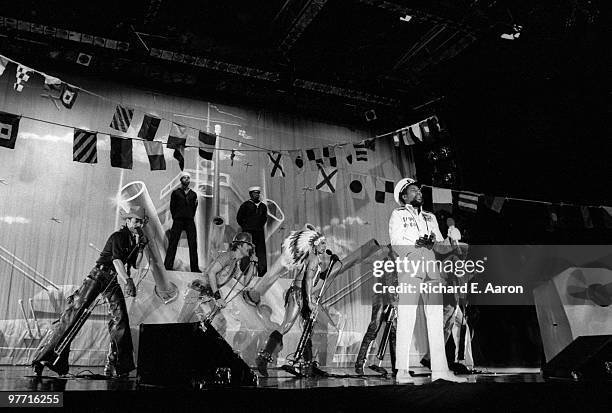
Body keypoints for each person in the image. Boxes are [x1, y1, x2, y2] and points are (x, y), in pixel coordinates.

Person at [31, 206, 148, 378]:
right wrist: (128, 281)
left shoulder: (132, 241)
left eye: (140, 221)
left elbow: (136, 264)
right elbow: (116, 261)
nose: (137, 224)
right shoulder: (118, 236)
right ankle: (42, 359)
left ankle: (118, 367)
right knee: (73, 315)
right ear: (127, 221)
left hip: (112, 280)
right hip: (99, 275)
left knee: (120, 319)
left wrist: (141, 248)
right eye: (135, 221)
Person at [389, 177, 466, 383]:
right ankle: (402, 371)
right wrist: (415, 242)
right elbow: (395, 242)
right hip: (410, 268)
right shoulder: (398, 214)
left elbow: (440, 247)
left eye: (419, 190)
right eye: (413, 190)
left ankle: (440, 370)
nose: (419, 193)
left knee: (435, 318)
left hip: (431, 270)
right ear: (404, 196)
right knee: (407, 317)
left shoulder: (430, 217)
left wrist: (449, 239)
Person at [255, 225, 327, 377]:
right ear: (315, 244)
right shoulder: (313, 259)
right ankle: (263, 358)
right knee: (286, 325)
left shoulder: (313, 257)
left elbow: (310, 280)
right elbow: (307, 281)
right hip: (298, 294)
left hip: (301, 294)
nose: (325, 246)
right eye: (322, 243)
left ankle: (307, 365)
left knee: (307, 328)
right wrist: (309, 301)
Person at [176, 232, 259, 330]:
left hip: (207, 295)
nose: (250, 248)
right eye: (248, 244)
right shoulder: (227, 256)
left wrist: (253, 263)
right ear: (239, 245)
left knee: (216, 324)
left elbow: (245, 282)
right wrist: (218, 297)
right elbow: (211, 273)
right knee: (182, 322)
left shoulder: (235, 266)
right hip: (198, 290)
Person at [354, 246, 398, 376]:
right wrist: (394, 304)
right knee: (374, 328)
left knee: (394, 332)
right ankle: (360, 363)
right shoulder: (389, 262)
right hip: (382, 299)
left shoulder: (400, 263)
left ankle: (397, 367)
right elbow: (389, 284)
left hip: (392, 299)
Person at [165, 172, 199, 272]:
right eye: (184, 178)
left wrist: (189, 215)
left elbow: (194, 207)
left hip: (189, 220)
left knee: (193, 244)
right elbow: (172, 207)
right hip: (178, 220)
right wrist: (176, 216)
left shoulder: (193, 194)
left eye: (188, 178)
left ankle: (195, 268)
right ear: (181, 180)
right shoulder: (176, 193)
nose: (186, 180)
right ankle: (167, 266)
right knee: (173, 243)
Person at [236, 186, 267, 277]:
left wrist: (259, 226)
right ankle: (245, 272)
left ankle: (262, 273)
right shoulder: (245, 205)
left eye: (257, 193)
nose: (256, 195)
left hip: (259, 233)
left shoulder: (263, 206)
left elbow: (264, 218)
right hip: (248, 233)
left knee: (261, 253)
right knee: (246, 251)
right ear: (250, 194)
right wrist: (246, 227)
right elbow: (239, 218)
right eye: (254, 193)